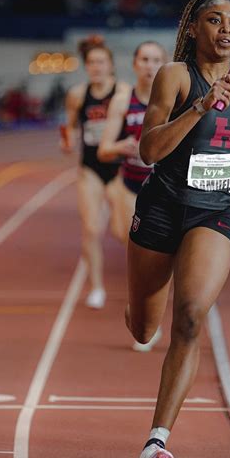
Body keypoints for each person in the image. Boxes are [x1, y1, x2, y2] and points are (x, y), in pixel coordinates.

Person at [125, 0, 230, 458]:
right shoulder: (174, 76)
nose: (227, 30)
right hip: (162, 209)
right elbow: (149, 150)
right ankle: (139, 302)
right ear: (194, 28)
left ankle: (156, 443)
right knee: (145, 329)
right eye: (215, 20)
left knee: (189, 317)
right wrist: (199, 108)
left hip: (212, 213)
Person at [97, 40, 168, 351]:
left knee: (161, 260)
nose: (150, 66)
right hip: (130, 185)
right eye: (145, 60)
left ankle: (153, 320)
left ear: (164, 64)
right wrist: (123, 147)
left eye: (156, 60)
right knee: (135, 257)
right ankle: (141, 312)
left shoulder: (173, 97)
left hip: (163, 188)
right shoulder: (123, 101)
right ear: (135, 64)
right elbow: (103, 149)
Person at [60, 34, 131, 309]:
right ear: (86, 65)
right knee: (91, 229)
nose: (96, 67)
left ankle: (136, 283)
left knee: (122, 231)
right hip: (90, 167)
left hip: (118, 169)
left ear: (111, 65)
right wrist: (66, 141)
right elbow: (70, 127)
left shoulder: (124, 92)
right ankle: (97, 287)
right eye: (91, 62)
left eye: (101, 62)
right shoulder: (77, 95)